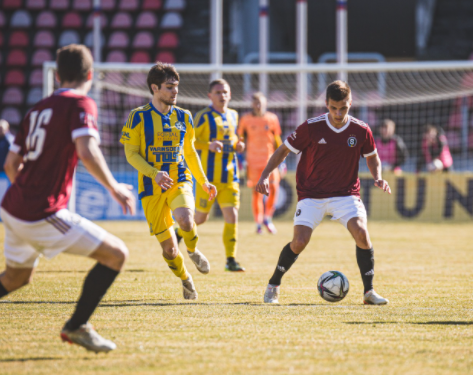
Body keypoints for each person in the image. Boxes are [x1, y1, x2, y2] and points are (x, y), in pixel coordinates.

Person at [0, 44, 136, 353]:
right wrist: (114, 187)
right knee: (116, 255)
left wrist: (26, 191)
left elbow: (10, 165)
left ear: (58, 75)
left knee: (17, 277)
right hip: (41, 212)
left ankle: (78, 326)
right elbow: (86, 151)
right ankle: (76, 327)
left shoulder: (37, 109)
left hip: (12, 206)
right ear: (90, 75)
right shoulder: (82, 104)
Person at [257, 80, 391, 305]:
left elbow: (372, 156)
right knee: (299, 242)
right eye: (333, 108)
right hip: (311, 194)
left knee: (362, 235)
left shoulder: (361, 130)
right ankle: (273, 284)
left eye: (343, 108)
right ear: (326, 104)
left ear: (350, 103)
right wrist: (265, 175)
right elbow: (282, 151)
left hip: (346, 194)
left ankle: (369, 293)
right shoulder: (311, 127)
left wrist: (377, 176)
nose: (338, 113)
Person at [121, 62, 217, 300]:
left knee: (185, 218)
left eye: (176, 86)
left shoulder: (184, 116)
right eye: (169, 87)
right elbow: (130, 154)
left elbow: (191, 152)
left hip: (179, 178)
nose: (175, 91)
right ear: (155, 88)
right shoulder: (137, 117)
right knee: (170, 249)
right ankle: (185, 279)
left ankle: (193, 251)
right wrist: (155, 173)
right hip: (150, 187)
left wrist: (203, 181)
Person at [182, 79, 245, 272]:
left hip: (230, 177)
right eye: (217, 92)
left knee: (232, 216)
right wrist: (207, 145)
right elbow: (188, 142)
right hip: (208, 178)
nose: (222, 96)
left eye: (225, 92)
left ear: (230, 94)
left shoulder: (234, 115)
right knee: (200, 219)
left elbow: (233, 139)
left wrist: (238, 146)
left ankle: (230, 259)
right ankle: (177, 236)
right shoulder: (202, 116)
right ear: (210, 96)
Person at [238, 92, 283, 234]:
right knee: (257, 193)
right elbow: (240, 140)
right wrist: (240, 159)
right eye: (255, 103)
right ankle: (258, 223)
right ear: (252, 104)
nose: (258, 106)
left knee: (274, 188)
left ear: (265, 104)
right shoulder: (245, 119)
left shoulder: (272, 118)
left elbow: (277, 140)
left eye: (260, 103)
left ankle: (268, 218)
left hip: (271, 162)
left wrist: (282, 160)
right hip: (253, 162)